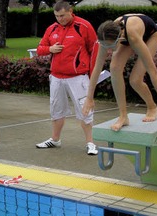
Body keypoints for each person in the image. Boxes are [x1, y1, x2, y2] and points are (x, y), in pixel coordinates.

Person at [82, 14, 157, 131]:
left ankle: (152, 107)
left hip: (150, 36)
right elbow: (97, 67)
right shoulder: (106, 36)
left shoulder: (132, 37)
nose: (109, 50)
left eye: (111, 46)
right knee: (115, 67)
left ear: (119, 38)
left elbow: (154, 73)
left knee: (135, 80)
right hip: (126, 34)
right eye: (106, 46)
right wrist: (89, 98)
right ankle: (123, 116)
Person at [35, 1, 98, 155]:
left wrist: (92, 76)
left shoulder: (83, 26)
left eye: (62, 15)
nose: (60, 19)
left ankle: (90, 143)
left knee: (85, 111)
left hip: (78, 77)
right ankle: (55, 140)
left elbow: (94, 50)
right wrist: (50, 49)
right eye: (57, 16)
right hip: (56, 77)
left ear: (71, 11)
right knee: (56, 109)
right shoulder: (52, 28)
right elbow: (40, 49)